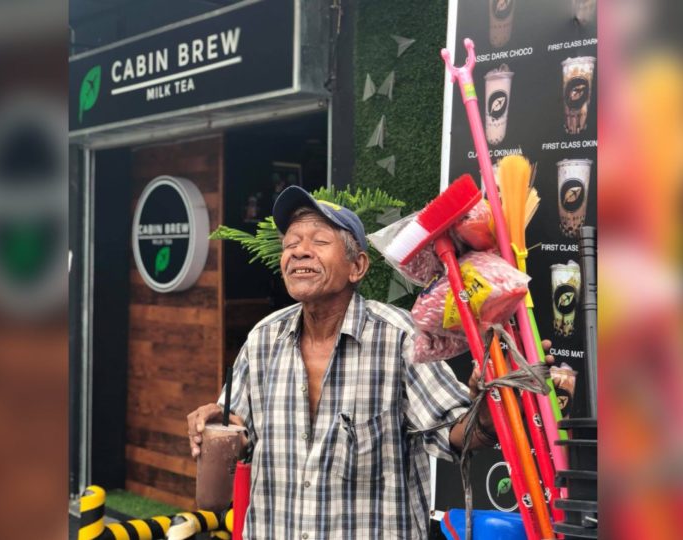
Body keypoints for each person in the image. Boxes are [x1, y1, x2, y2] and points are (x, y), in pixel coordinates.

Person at [188, 186, 543, 538]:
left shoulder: (399, 337)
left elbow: (456, 436)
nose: (299, 253)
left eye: (318, 242)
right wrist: (217, 423)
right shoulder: (263, 339)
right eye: (291, 244)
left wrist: (488, 406)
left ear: (357, 266)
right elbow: (239, 430)